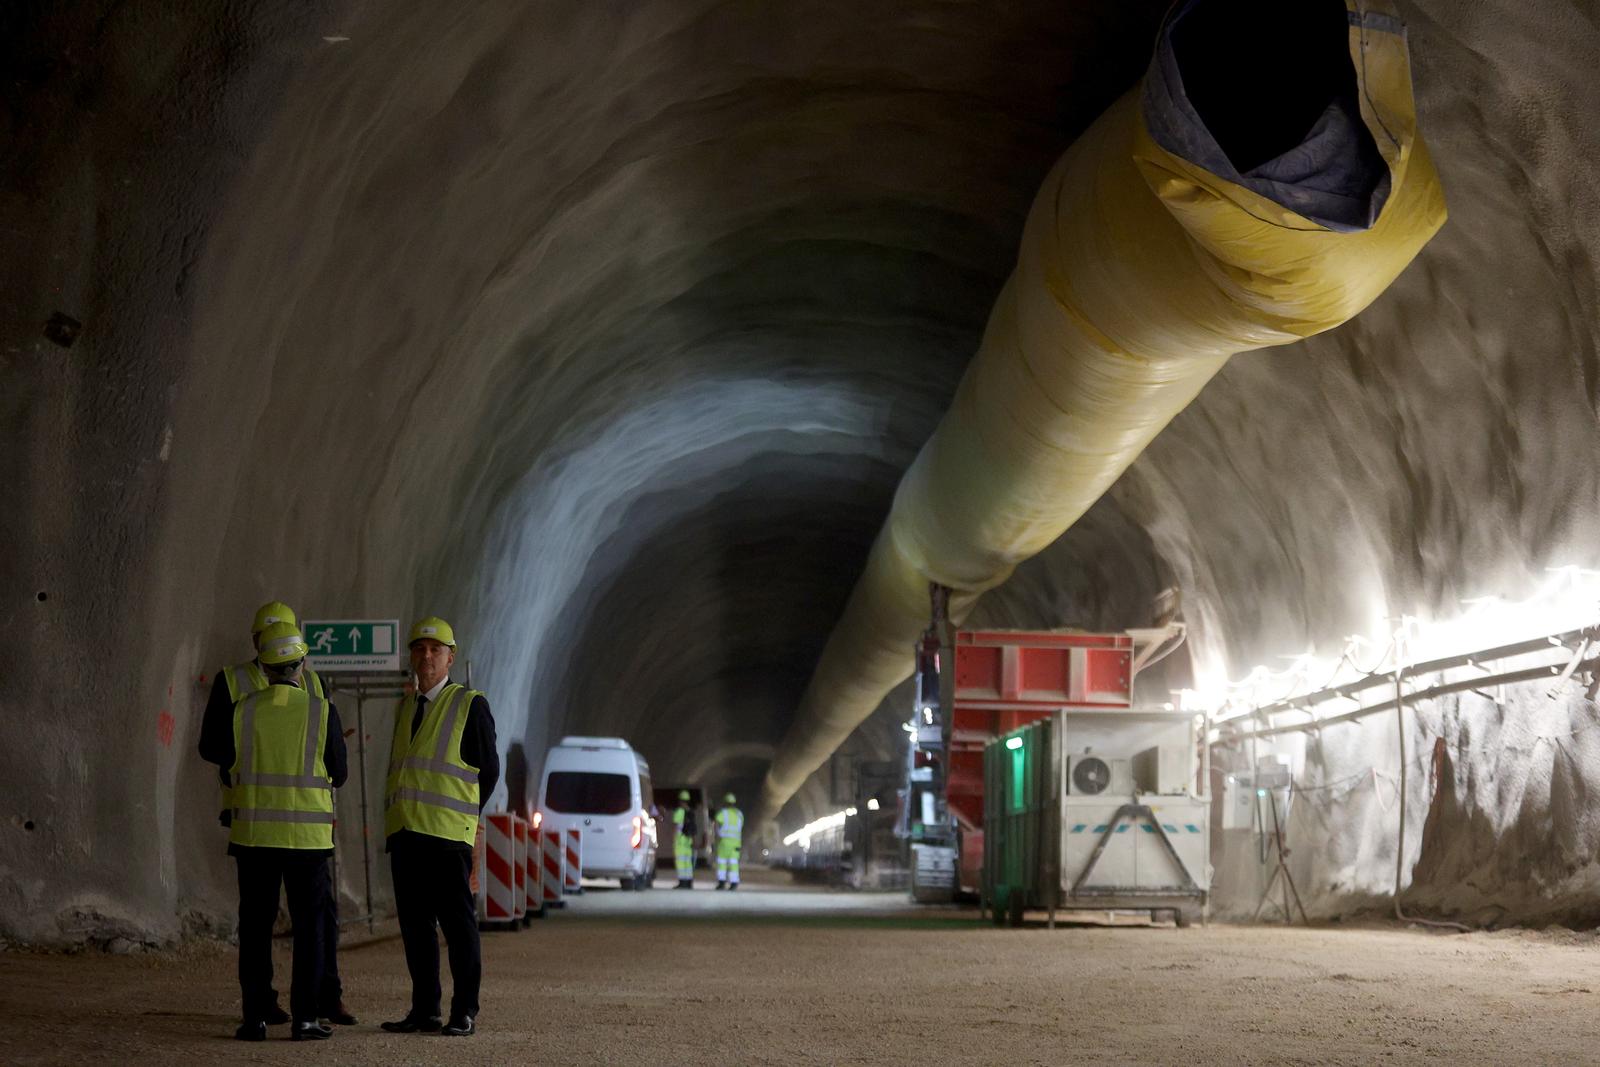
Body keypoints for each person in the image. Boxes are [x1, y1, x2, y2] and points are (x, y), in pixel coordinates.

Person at [198, 600, 354, 1027]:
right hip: (304, 832)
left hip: (254, 827)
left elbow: (220, 750)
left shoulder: (243, 705)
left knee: (257, 922)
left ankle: (259, 1015)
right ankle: (307, 1014)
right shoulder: (316, 699)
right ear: (299, 654)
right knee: (311, 922)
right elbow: (335, 769)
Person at [381, 616, 499, 1038]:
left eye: (435, 649)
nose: (426, 656)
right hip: (408, 836)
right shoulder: (406, 707)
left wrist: (466, 817)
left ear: (451, 657)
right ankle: (424, 1009)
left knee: (458, 927)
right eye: (419, 648)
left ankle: (463, 1011)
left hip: (448, 839)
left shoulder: (469, 704)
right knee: (416, 930)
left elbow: (489, 770)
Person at [714, 793, 743, 890]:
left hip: (724, 842)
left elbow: (716, 825)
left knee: (722, 863)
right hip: (736, 843)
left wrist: (717, 835)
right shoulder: (739, 814)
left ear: (725, 802)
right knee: (733, 863)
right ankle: (734, 883)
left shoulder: (723, 813)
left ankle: (722, 883)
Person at [671, 790, 696, 889]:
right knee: (688, 862)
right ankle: (689, 882)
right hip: (688, 841)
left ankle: (682, 882)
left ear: (680, 800)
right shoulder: (691, 812)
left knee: (680, 862)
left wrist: (673, 840)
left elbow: (675, 827)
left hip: (680, 841)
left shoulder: (679, 812)